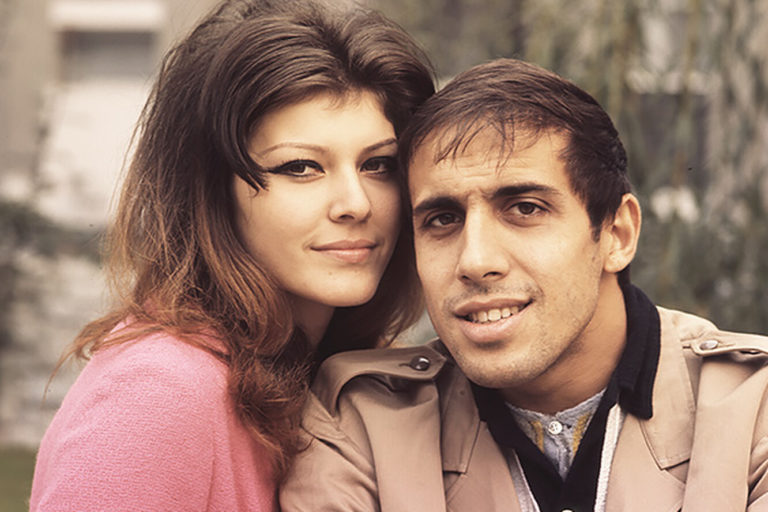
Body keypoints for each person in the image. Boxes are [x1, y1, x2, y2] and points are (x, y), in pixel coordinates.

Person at [279, 58, 768, 511]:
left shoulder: (753, 409)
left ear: (617, 234)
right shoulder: (365, 421)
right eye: (443, 219)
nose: (476, 261)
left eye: (525, 209)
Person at [29, 0, 434, 510]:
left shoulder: (344, 370)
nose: (356, 204)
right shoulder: (158, 392)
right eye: (301, 167)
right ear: (212, 191)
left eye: (379, 165)